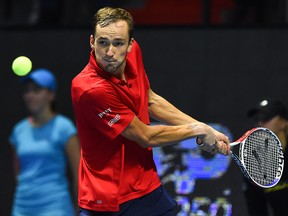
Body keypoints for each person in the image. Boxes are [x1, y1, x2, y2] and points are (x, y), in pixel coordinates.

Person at [71, 7, 230, 216]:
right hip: (110, 202)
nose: (109, 52)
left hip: (147, 186)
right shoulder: (90, 89)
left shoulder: (134, 54)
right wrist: (197, 130)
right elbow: (145, 136)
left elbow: (150, 101)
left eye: (118, 43)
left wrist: (206, 129)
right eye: (103, 42)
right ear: (92, 41)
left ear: (130, 45)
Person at [10, 68, 80, 216]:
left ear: (51, 94)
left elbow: (78, 174)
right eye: (27, 91)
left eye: (37, 90)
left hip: (56, 207)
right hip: (21, 208)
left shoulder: (64, 127)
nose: (30, 95)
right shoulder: (19, 130)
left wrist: (79, 210)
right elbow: (18, 172)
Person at [243, 98, 288, 216]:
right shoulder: (254, 165)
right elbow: (257, 211)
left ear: (284, 122)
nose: (260, 123)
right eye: (257, 119)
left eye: (266, 118)